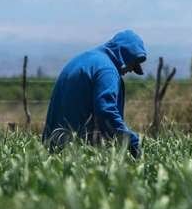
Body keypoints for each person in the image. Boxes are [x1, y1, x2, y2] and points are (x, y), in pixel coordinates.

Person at [43, 29, 147, 157]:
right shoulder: (107, 70)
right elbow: (106, 111)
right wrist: (131, 141)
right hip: (78, 151)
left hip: (55, 146)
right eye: (133, 64)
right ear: (125, 55)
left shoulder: (86, 59)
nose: (131, 70)